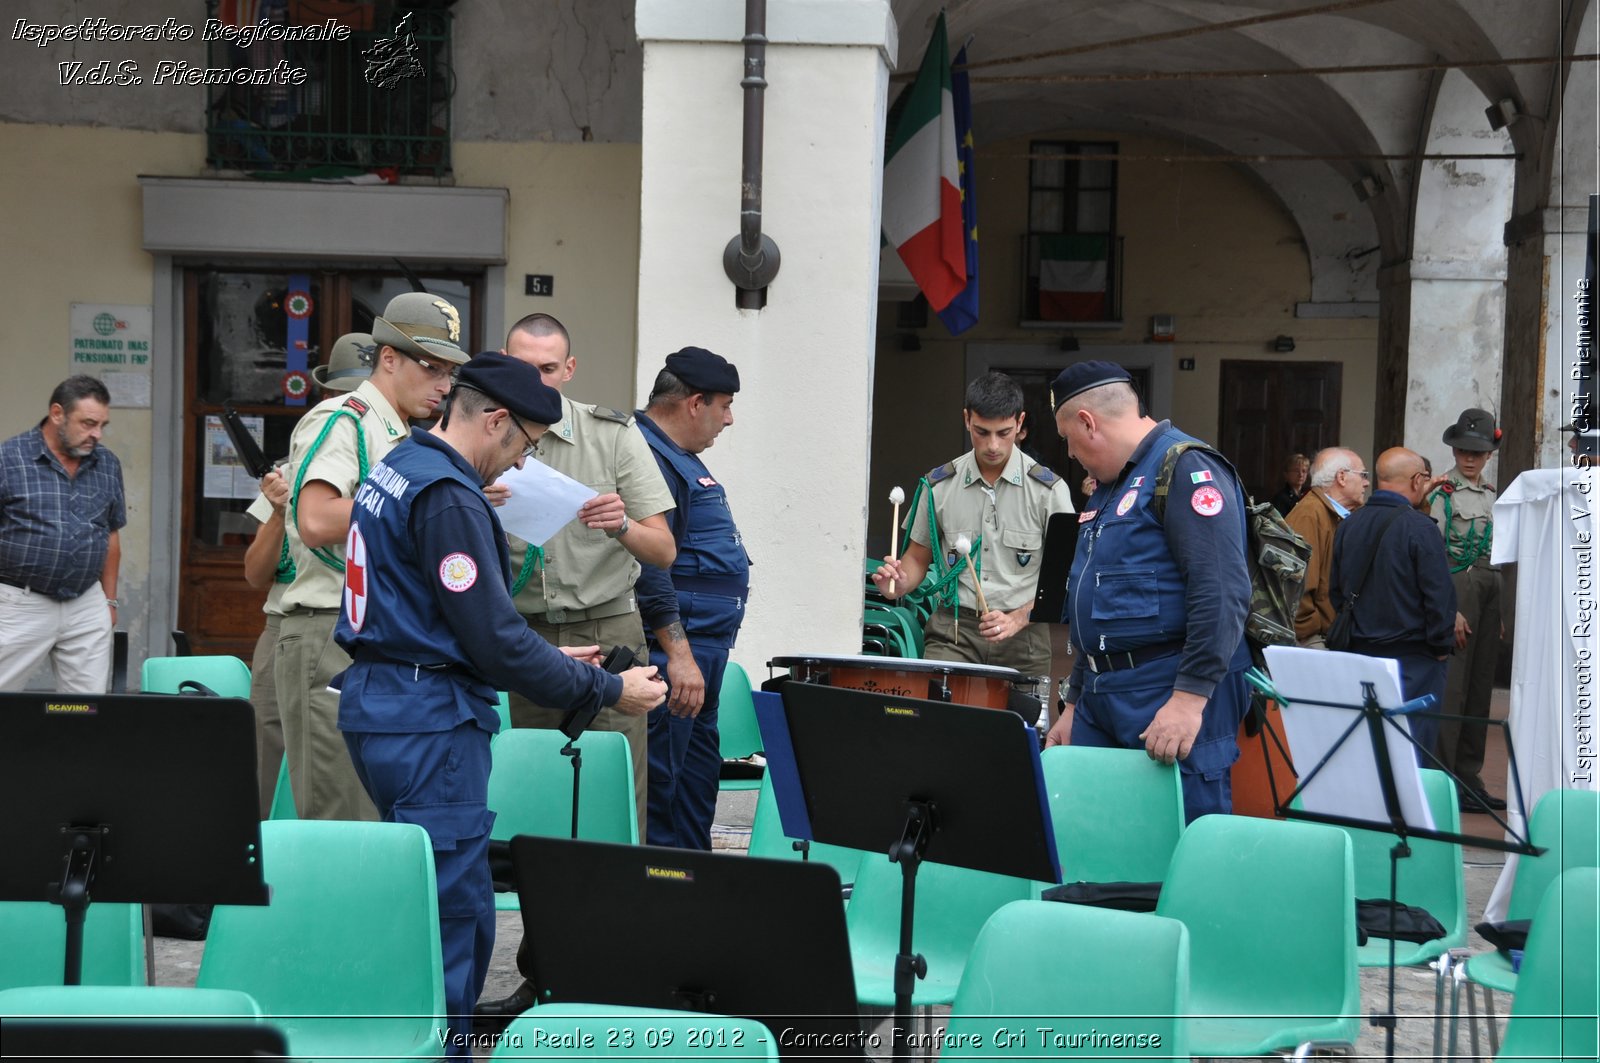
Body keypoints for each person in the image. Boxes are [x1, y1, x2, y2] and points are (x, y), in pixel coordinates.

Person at [333, 351, 667, 1056]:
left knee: (411, 901)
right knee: (455, 914)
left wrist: (548, 660)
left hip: (384, 700)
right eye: (522, 447)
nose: (518, 467)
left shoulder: (398, 466)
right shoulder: (451, 494)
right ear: (494, 420)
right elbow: (494, 640)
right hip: (430, 719)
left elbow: (453, 620)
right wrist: (610, 688)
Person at [276, 295, 467, 820]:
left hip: (368, 632)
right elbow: (315, 519)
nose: (444, 385)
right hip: (325, 626)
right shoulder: (345, 419)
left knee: (371, 819)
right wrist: (413, 500)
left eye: (450, 372)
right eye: (432, 367)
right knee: (338, 817)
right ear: (388, 359)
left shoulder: (402, 431)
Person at [1043, 361, 1252, 820]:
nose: (1071, 453)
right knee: (1100, 843)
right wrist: (1075, 701)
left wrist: (1189, 699)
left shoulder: (1186, 468)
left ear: (1087, 422)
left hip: (1166, 690)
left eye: (1067, 439)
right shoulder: (1109, 487)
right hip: (1102, 693)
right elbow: (1096, 605)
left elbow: (1221, 593)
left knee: (1177, 844)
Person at [497, 313, 677, 831]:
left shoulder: (613, 436)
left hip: (605, 631)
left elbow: (663, 550)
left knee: (612, 792)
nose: (537, 380)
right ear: (505, 363)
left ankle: (617, 906)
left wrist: (622, 525)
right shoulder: (483, 432)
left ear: (569, 368)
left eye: (549, 368)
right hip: (524, 634)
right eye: (524, 367)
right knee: (532, 793)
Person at [242, 332, 374, 815]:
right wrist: (279, 513)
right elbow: (256, 575)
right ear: (327, 397)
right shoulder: (296, 467)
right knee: (264, 755)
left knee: (339, 767)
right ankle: (245, 872)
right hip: (288, 625)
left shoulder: (386, 454)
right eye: (344, 395)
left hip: (357, 625)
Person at [871, 372, 1073, 681]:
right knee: (943, 724)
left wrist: (1018, 619)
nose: (993, 445)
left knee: (1020, 729)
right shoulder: (937, 485)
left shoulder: (1049, 491)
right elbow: (917, 559)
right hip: (953, 631)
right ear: (967, 420)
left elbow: (1064, 577)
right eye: (982, 431)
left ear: (1020, 423)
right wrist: (898, 583)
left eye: (1003, 432)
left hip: (1024, 633)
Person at [633, 347, 750, 850]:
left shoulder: (676, 456)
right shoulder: (646, 456)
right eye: (723, 405)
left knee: (694, 795)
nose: (729, 419)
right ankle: (662, 912)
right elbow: (649, 566)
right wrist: (678, 655)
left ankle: (690, 910)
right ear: (695, 403)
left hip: (702, 656)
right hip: (675, 658)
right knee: (666, 797)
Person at [1329, 447, 1457, 760]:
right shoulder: (1421, 528)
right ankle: (1405, 810)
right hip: (1413, 660)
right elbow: (1439, 599)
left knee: (1366, 746)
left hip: (1359, 654)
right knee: (1411, 749)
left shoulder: (1349, 525)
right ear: (1417, 480)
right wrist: (1441, 647)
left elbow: (1336, 591)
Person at [0, 376, 125, 693]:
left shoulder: (107, 463)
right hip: (18, 603)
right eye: (87, 423)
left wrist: (108, 601)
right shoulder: (8, 459)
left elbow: (110, 535)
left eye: (102, 425)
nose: (96, 434)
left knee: (84, 712)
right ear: (57, 414)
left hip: (86, 603)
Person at [1429, 408, 1506, 811]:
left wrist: (1501, 613)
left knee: (1479, 688)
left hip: (1491, 585)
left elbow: (1497, 551)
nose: (1469, 458)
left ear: (1489, 454)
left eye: (1476, 451)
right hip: (1458, 586)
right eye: (1462, 450)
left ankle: (1470, 776)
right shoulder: (1442, 493)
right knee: (1454, 687)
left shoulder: (1493, 494)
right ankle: (1444, 781)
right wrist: (1449, 609)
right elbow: (1434, 555)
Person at [1285, 447, 1368, 648]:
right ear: (1341, 477)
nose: (1366, 482)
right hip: (1315, 638)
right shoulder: (1309, 515)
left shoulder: (1340, 514)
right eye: (1363, 475)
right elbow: (1297, 586)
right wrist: (1312, 634)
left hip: (1334, 634)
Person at [1270, 452, 1311, 517]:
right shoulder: (1280, 498)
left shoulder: (1309, 495)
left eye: (1304, 471)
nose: (1301, 475)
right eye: (1296, 471)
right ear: (1286, 474)